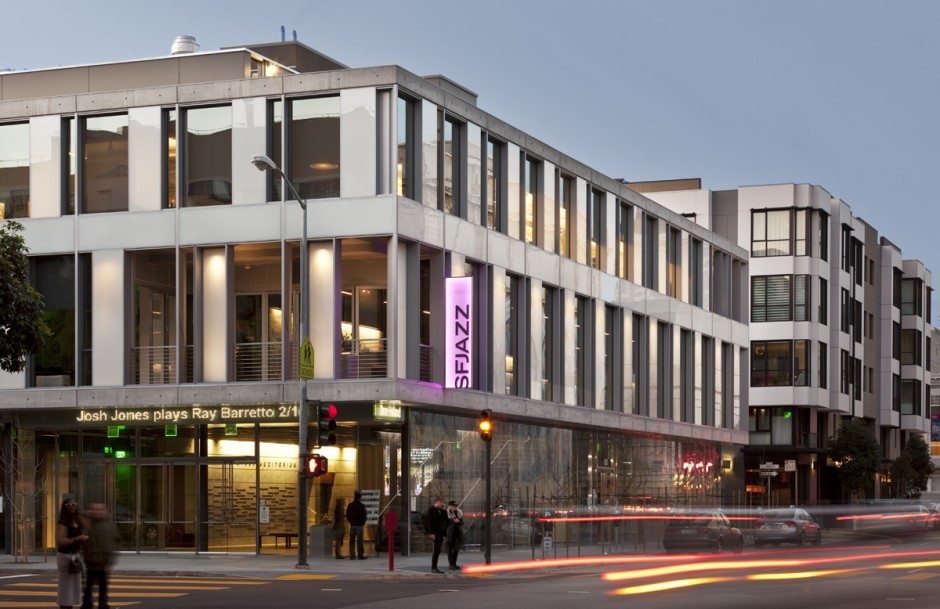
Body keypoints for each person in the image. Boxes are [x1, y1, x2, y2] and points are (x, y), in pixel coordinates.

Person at [81, 502, 119, 609]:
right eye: (95, 510)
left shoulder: (109, 525)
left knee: (102, 587)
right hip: (92, 561)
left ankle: (102, 604)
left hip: (103, 562)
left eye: (100, 510)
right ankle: (88, 604)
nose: (98, 512)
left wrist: (111, 557)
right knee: (89, 586)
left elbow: (115, 541)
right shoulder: (88, 523)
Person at [55, 498, 87, 609]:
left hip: (74, 555)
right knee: (66, 588)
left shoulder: (77, 520)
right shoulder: (63, 522)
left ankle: (70, 606)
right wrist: (77, 539)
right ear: (64, 507)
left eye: (74, 504)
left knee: (73, 588)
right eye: (68, 505)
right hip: (65, 556)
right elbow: (60, 540)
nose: (71, 507)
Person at [425, 497, 448, 574]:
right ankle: (434, 568)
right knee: (436, 550)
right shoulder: (431, 510)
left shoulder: (441, 511)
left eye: (443, 503)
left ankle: (435, 567)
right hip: (435, 534)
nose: (443, 504)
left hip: (441, 533)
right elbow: (429, 522)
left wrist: (444, 510)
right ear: (437, 502)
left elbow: (445, 522)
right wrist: (431, 533)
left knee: (438, 550)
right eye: (441, 502)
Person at [345, 491, 367, 560]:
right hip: (359, 526)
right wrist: (363, 523)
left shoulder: (350, 505)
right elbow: (364, 516)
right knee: (359, 541)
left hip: (352, 525)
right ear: (360, 497)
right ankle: (360, 555)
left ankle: (352, 555)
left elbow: (347, 515)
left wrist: (351, 522)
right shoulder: (362, 506)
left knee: (351, 541)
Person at [445, 500, 464, 571]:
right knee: (449, 550)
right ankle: (451, 564)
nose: (455, 507)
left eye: (456, 506)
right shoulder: (446, 513)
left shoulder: (459, 512)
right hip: (449, 534)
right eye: (453, 506)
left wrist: (458, 521)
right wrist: (453, 521)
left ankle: (454, 563)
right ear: (450, 506)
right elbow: (445, 523)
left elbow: (462, 522)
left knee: (456, 550)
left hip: (457, 533)